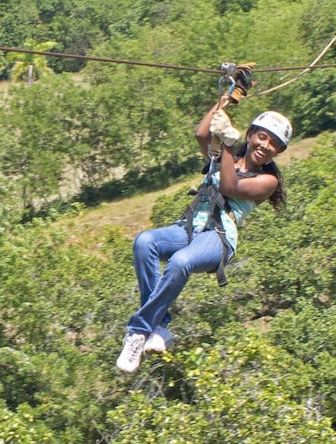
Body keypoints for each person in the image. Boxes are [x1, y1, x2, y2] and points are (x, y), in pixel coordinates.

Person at [115, 105, 292, 373]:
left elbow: (229, 187)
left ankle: (139, 331)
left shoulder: (267, 181)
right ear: (251, 134)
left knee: (180, 261)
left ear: (278, 152)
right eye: (263, 137)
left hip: (219, 237)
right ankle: (158, 327)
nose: (266, 146)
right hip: (191, 227)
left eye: (274, 144)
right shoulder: (224, 156)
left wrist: (229, 145)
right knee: (144, 242)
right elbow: (201, 134)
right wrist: (227, 98)